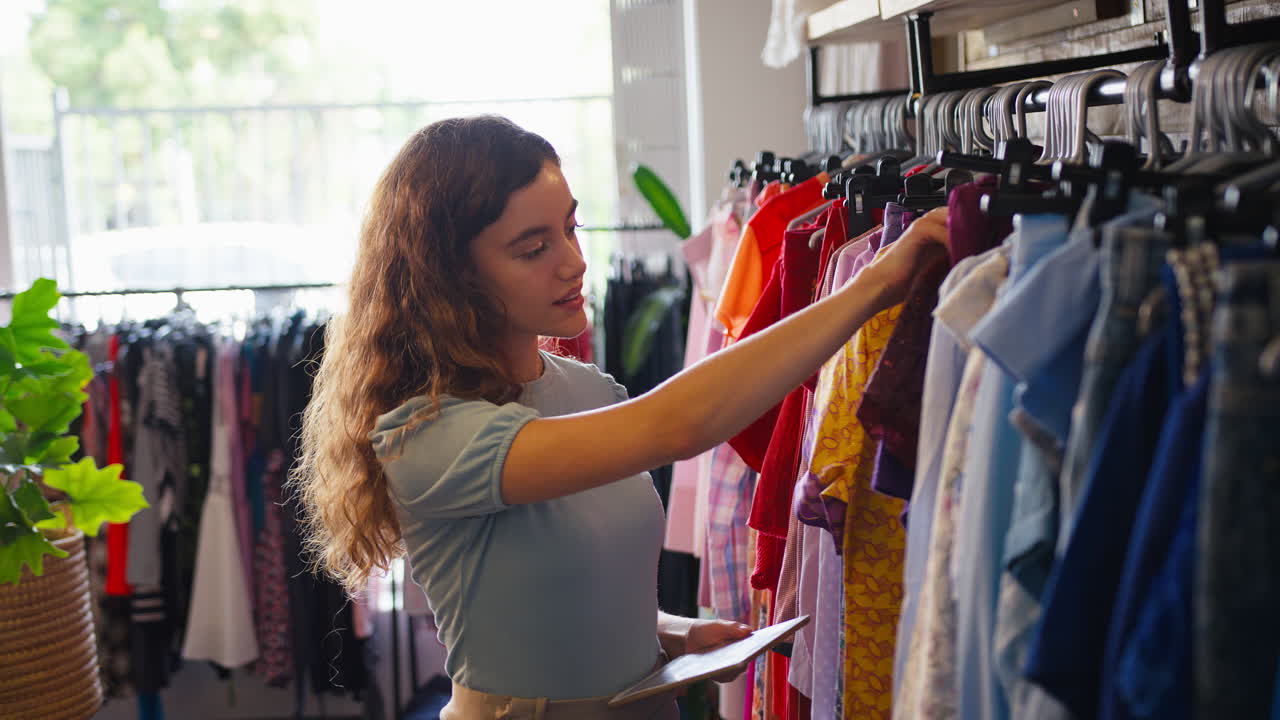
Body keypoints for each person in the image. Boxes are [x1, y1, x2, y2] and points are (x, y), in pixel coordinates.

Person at [292, 115, 948, 719]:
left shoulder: (584, 388)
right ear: (449, 275)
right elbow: (681, 425)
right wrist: (876, 284)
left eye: (571, 229)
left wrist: (675, 632)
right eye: (532, 247)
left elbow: (561, 588)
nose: (574, 262)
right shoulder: (427, 435)